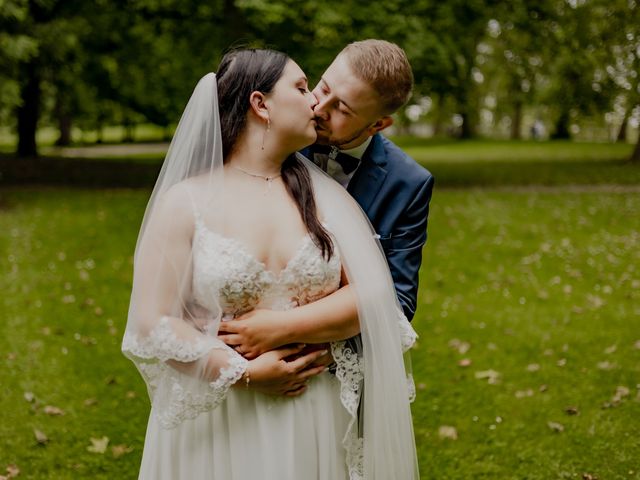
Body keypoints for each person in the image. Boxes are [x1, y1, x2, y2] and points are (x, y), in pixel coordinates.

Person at [122, 48, 418, 479]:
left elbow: (374, 296)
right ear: (261, 104)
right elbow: (153, 322)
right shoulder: (184, 202)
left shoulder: (327, 201)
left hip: (314, 414)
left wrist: (281, 330)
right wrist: (242, 372)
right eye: (303, 88)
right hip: (221, 416)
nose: (315, 102)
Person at [217, 40, 433, 365]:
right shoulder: (278, 140)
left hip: (329, 373)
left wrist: (304, 351)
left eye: (342, 109)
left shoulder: (408, 184)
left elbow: (398, 301)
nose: (318, 108)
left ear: (378, 124)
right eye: (323, 88)